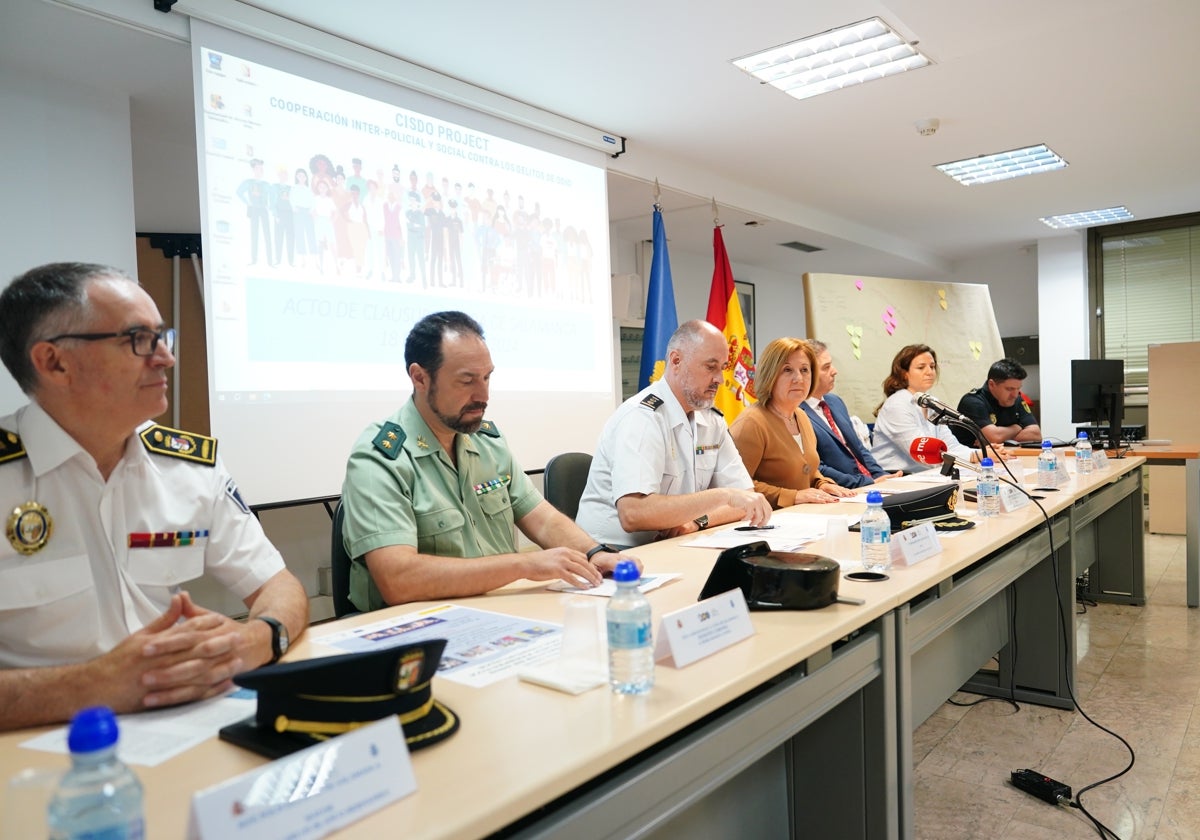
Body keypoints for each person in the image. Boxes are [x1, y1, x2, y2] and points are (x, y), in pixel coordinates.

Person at [0, 263, 308, 731]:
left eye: (163, 336)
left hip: (188, 724)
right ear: (54, 362)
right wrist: (96, 684)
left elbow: (277, 585)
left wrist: (256, 639)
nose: (165, 357)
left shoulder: (187, 466)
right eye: (138, 340)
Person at [340, 311, 635, 611]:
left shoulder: (487, 441)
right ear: (420, 378)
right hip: (416, 631)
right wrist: (523, 565)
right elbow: (398, 579)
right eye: (466, 381)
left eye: (486, 377)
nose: (483, 395)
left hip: (498, 615)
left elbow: (542, 519)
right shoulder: (380, 458)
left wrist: (593, 553)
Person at [576, 320, 771, 547]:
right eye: (710, 367)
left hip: (674, 543)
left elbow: (746, 498)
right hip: (614, 551)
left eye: (723, 368)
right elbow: (633, 514)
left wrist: (698, 521)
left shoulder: (711, 419)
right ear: (676, 361)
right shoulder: (643, 418)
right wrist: (722, 496)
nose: (719, 379)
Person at [729, 338, 856, 507]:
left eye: (805, 370)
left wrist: (822, 484)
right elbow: (737, 487)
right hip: (765, 524)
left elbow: (807, 471)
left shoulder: (801, 416)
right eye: (787, 370)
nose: (799, 378)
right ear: (769, 374)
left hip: (803, 518)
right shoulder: (751, 423)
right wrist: (793, 496)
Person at [800, 339, 902, 488]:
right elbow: (817, 468)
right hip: (842, 490)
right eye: (826, 367)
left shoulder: (835, 402)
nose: (834, 371)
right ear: (807, 373)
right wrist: (867, 483)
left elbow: (858, 448)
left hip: (868, 484)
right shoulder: (796, 413)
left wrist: (881, 476)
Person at [870, 343, 981, 473]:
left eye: (932, 366)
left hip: (925, 474)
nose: (930, 372)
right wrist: (976, 456)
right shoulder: (897, 405)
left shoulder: (931, 403)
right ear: (904, 373)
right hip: (897, 476)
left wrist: (982, 452)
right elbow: (925, 454)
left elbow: (950, 445)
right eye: (921, 367)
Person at [953, 358, 1043, 447]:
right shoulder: (973, 401)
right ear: (992, 385)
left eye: (1018, 388)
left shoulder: (1017, 399)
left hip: (1005, 455)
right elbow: (994, 437)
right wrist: (1017, 427)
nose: (1015, 395)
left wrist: (1001, 438)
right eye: (1009, 389)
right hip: (971, 458)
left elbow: (1036, 435)